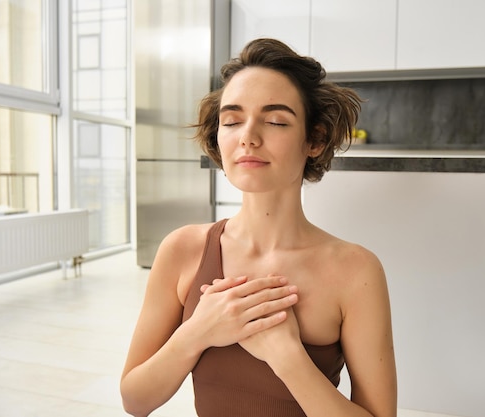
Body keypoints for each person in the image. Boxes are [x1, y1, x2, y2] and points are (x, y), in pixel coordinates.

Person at [121, 38, 397, 417]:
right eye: (232, 121)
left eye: (275, 121)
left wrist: (287, 357)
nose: (247, 137)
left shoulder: (356, 270)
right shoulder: (182, 249)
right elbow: (135, 400)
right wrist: (199, 330)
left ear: (314, 139)